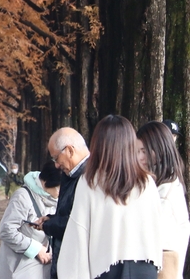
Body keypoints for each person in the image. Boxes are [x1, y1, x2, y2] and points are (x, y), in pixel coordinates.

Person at [56, 115, 161, 279]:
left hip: (105, 267)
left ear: (98, 145)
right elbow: (157, 230)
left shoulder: (90, 181)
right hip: (144, 266)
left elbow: (78, 233)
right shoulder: (147, 182)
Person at [35, 127, 90, 279]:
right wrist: (52, 219)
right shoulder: (72, 174)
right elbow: (68, 213)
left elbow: (77, 223)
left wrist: (48, 226)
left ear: (70, 150)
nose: (56, 165)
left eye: (56, 158)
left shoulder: (89, 178)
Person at [137, 121, 190, 279]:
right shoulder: (163, 185)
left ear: (160, 149)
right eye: (137, 151)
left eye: (144, 151)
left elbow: (165, 253)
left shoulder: (166, 195)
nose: (139, 157)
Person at [0, 161, 62, 279]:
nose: (60, 192)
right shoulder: (22, 196)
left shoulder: (55, 200)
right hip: (19, 268)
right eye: (58, 188)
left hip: (43, 267)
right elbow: (6, 230)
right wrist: (36, 249)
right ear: (46, 182)